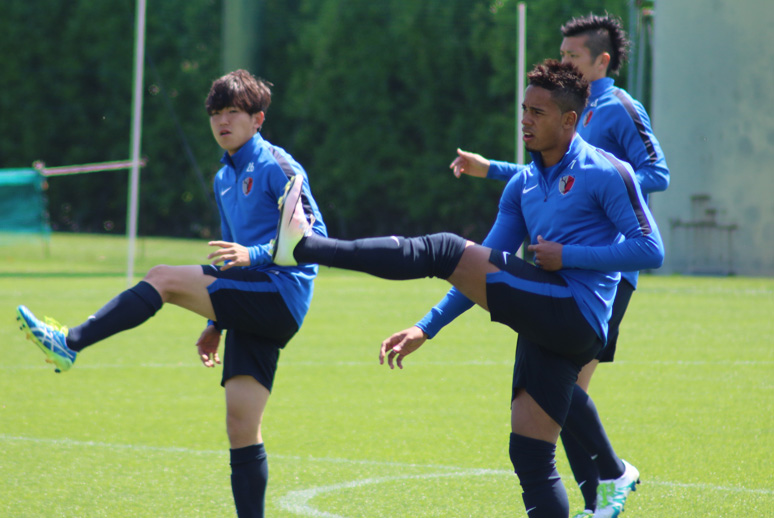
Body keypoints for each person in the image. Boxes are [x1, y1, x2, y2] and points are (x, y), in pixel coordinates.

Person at [271, 60, 664, 518]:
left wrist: (568, 256)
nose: (525, 120)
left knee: (443, 249)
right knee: (530, 454)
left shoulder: (607, 171)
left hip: (576, 315)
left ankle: (307, 247)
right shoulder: (522, 184)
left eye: (538, 112)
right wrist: (426, 327)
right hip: (544, 322)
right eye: (524, 109)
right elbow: (477, 269)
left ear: (569, 119)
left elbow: (651, 249)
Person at [16, 69, 327, 518]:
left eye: (233, 112)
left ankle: (70, 342)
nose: (223, 121)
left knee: (162, 277)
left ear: (258, 119)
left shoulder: (279, 167)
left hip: (279, 293)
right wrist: (216, 322)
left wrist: (255, 254)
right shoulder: (223, 178)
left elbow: (315, 240)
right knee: (241, 426)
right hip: (251, 298)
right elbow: (228, 257)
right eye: (216, 113)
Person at [450, 13, 669, 518]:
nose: (564, 59)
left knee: (563, 389)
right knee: (560, 391)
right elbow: (554, 172)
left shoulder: (620, 108)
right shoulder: (570, 111)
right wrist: (494, 169)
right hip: (558, 268)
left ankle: (607, 484)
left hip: (605, 269)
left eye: (573, 55)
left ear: (601, 60)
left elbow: (656, 173)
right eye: (563, 52)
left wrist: (604, 187)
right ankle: (603, 491)